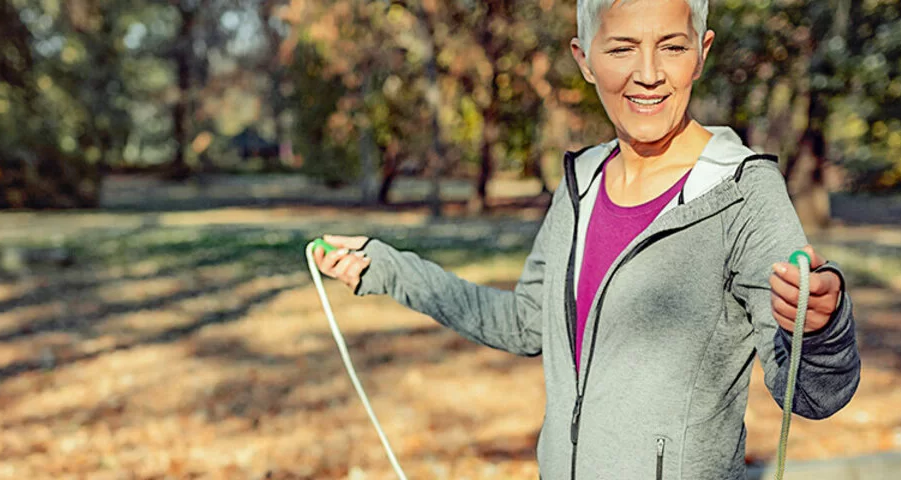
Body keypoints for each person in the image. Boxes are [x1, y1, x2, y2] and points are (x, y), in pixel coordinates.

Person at [312, 0, 861, 478]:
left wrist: (821, 330)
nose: (648, 74)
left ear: (701, 52)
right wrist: (386, 268)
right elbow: (526, 324)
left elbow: (813, 394)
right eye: (621, 48)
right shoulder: (581, 184)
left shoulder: (745, 192)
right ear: (585, 61)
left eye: (671, 46)